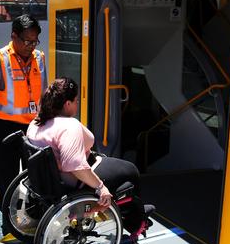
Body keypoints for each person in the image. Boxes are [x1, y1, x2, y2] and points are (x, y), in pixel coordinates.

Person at [26, 77, 153, 233]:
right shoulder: (68, 126)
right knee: (130, 171)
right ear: (67, 104)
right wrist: (101, 187)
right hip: (74, 181)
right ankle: (136, 222)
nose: (78, 104)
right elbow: (75, 167)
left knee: (109, 163)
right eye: (76, 101)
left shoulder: (37, 122)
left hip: (50, 180)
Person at [0, 14, 48, 211]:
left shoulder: (39, 58)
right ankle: (8, 218)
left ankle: (32, 215)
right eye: (27, 41)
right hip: (5, 128)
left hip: (33, 127)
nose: (31, 45)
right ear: (14, 36)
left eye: (35, 41)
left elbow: (44, 93)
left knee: (35, 175)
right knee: (6, 178)